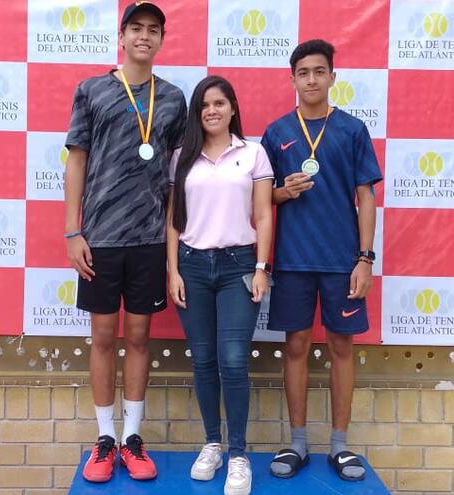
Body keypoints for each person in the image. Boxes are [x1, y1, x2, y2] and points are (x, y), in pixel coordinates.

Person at [63, 2, 187, 483]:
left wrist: (173, 236)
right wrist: (73, 231)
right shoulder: (91, 90)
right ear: (121, 36)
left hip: (149, 239)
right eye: (136, 28)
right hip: (99, 237)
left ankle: (132, 438)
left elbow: (176, 174)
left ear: (161, 40)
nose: (144, 36)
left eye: (153, 30)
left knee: (138, 337)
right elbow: (76, 161)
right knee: (102, 338)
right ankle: (104, 439)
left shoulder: (172, 98)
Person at [260, 39, 382, 482]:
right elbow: (262, 199)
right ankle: (297, 443)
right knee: (295, 347)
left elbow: (366, 197)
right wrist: (283, 191)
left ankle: (340, 445)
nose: (311, 79)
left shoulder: (352, 129)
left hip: (340, 261)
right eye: (302, 73)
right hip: (293, 260)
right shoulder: (276, 132)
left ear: (332, 76)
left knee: (341, 347)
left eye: (318, 71)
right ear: (292, 79)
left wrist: (364, 259)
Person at [166, 76, 273, 495]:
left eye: (219, 103)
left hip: (238, 266)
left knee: (233, 359)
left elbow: (263, 215)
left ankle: (239, 455)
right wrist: (173, 270)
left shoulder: (253, 153)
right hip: (192, 266)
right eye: (204, 105)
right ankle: (212, 443)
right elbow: (173, 219)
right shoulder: (182, 157)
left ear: (232, 108)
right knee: (204, 360)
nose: (211, 111)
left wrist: (262, 267)